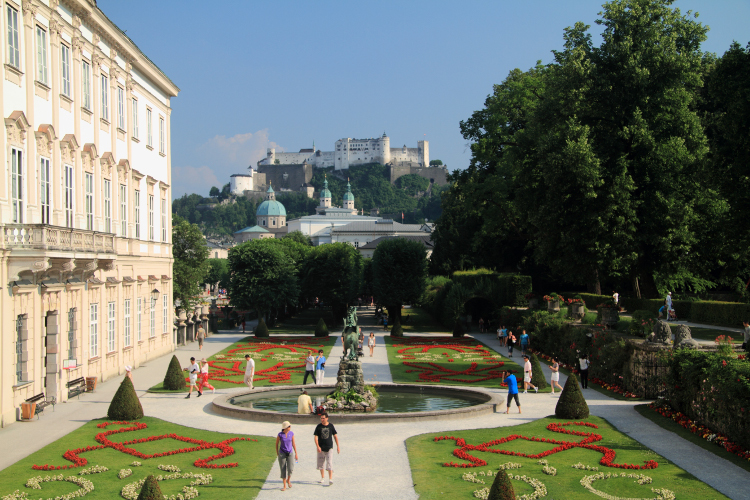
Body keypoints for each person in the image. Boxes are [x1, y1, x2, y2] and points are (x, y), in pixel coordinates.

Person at [313, 412, 340, 485]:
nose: (322, 420)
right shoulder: (318, 426)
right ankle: (322, 478)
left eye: (323, 418)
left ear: (327, 418)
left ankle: (330, 479)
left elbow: (335, 436)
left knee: (329, 463)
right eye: (321, 418)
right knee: (321, 463)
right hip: (321, 448)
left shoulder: (331, 426)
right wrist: (317, 446)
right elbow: (315, 437)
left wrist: (338, 446)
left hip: (329, 447)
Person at [276, 421, 298, 491]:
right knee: (283, 469)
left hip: (290, 453)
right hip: (282, 454)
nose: (290, 427)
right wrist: (277, 453)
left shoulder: (291, 434)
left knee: (290, 468)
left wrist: (296, 453)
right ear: (285, 427)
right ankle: (285, 485)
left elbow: (293, 444)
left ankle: (288, 480)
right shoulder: (280, 434)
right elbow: (276, 444)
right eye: (289, 426)